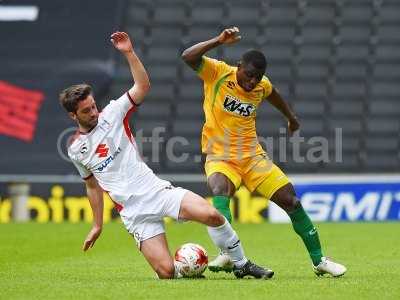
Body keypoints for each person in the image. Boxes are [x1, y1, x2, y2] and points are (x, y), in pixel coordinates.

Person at [60, 31, 273, 279]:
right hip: (133, 212)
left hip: (155, 191)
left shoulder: (113, 113)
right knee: (167, 272)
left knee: (212, 215)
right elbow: (92, 186)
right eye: (87, 111)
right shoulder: (76, 149)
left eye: (94, 106)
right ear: (73, 116)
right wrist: (97, 224)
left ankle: (241, 264)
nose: (94, 113)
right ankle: (187, 267)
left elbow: (142, 86)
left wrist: (129, 53)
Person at [181, 26, 347, 277]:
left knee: (292, 201)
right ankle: (227, 252)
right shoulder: (218, 73)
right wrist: (218, 40)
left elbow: (274, 94)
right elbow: (187, 57)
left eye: (256, 78)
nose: (251, 82)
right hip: (220, 156)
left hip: (253, 158)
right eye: (248, 75)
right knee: (219, 191)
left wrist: (291, 118)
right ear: (238, 66)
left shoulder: (261, 86)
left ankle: (319, 260)